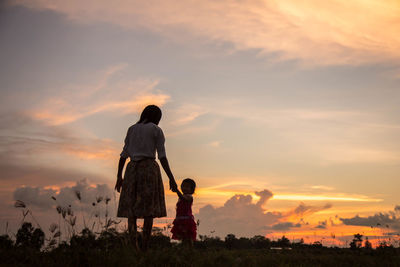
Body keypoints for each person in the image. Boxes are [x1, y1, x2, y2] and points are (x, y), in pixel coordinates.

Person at [115, 105, 177, 251]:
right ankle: (144, 248)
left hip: (131, 170)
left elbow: (123, 155)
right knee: (149, 210)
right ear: (157, 118)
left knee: (132, 210)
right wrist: (171, 178)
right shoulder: (156, 130)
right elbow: (162, 156)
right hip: (148, 169)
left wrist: (119, 176)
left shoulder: (132, 129)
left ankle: (134, 247)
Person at [171, 178, 197, 247]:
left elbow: (183, 198)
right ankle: (185, 251)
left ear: (192, 190)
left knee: (188, 238)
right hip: (180, 220)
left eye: (187, 187)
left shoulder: (189, 197)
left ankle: (190, 251)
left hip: (187, 221)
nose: (184, 188)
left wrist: (176, 190)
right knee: (183, 238)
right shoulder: (181, 197)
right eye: (183, 186)